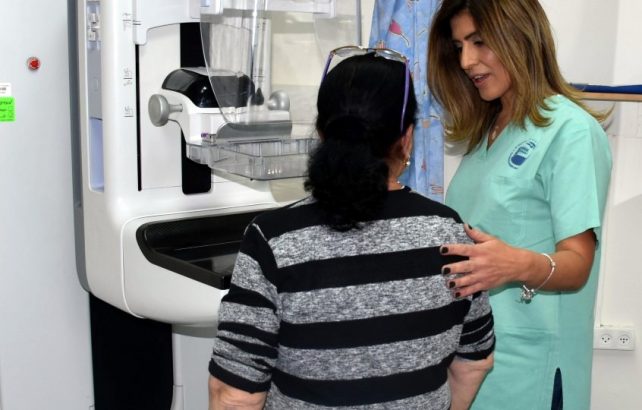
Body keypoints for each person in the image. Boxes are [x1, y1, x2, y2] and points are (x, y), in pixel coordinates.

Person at [207, 46, 495, 409]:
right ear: (406, 139)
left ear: (321, 134)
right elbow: (474, 361)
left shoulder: (273, 241)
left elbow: (234, 394)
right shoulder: (451, 235)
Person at [427, 1, 613, 409]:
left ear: (520, 36)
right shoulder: (487, 134)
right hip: (472, 365)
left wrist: (513, 265)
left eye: (479, 42)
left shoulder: (570, 131)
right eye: (459, 47)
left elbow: (578, 264)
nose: (466, 61)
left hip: (531, 371)